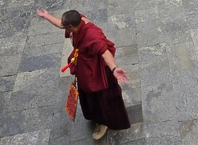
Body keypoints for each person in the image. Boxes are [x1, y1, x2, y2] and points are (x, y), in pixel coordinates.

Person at [36, 9, 130, 139]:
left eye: (64, 25)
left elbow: (105, 52)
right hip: (86, 69)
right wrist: (47, 16)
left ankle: (103, 122)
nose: (62, 26)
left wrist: (114, 69)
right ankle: (94, 115)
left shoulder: (92, 35)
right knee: (89, 97)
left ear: (71, 26)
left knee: (101, 98)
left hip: (97, 73)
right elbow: (60, 24)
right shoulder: (77, 22)